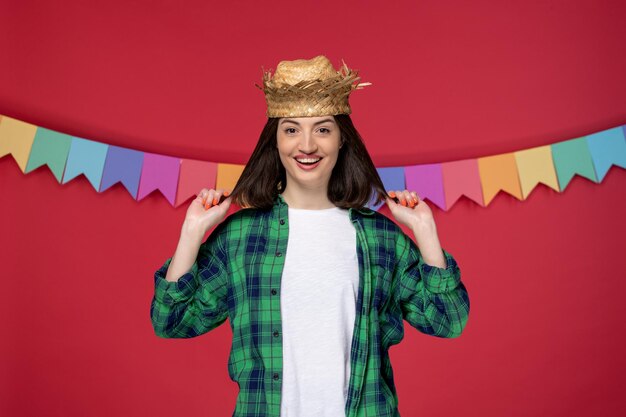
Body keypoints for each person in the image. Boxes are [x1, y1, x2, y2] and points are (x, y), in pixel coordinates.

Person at [150, 55, 470, 417]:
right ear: (275, 142)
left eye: (322, 129)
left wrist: (426, 233)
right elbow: (171, 321)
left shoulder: (380, 237)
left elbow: (448, 320)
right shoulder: (241, 236)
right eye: (291, 129)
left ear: (341, 140)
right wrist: (191, 234)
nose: (306, 146)